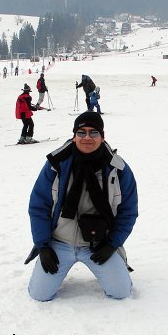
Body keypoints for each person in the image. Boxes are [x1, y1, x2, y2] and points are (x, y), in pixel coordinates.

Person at [25, 111, 138, 301]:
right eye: (81, 132)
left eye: (93, 132)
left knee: (121, 292)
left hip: (98, 244)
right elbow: (39, 206)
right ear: (74, 136)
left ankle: (117, 269)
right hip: (59, 243)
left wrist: (112, 244)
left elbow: (128, 212)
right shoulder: (56, 164)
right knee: (40, 295)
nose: (87, 137)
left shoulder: (118, 170)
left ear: (102, 137)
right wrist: (43, 246)